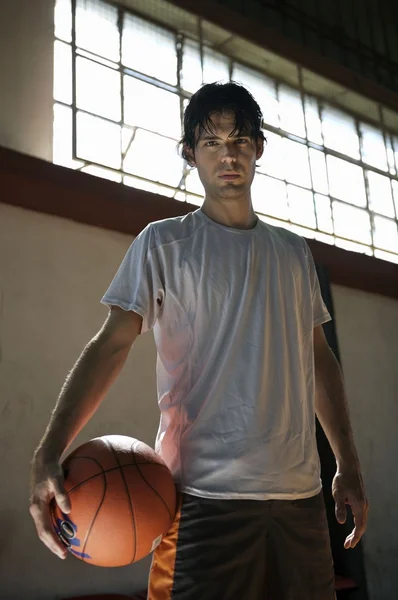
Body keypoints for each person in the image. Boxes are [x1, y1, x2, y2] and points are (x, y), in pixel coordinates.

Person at [30, 82, 368, 599]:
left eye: (239, 139)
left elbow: (319, 360)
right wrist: (49, 449)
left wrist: (346, 461)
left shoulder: (294, 253)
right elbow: (111, 346)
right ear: (191, 154)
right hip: (204, 499)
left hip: (300, 500)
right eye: (211, 142)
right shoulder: (163, 243)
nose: (228, 154)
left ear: (258, 148)